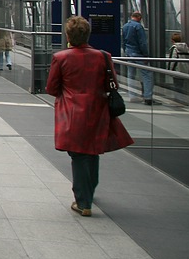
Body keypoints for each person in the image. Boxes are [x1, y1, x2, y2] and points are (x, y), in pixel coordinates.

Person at [46, 16, 134, 217]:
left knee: (78, 154)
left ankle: (83, 201)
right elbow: (112, 85)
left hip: (72, 112)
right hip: (98, 110)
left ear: (68, 35)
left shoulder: (61, 58)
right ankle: (90, 190)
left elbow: (51, 88)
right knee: (92, 151)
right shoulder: (103, 56)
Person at [121, 11, 154, 104]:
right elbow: (142, 42)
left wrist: (126, 51)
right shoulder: (138, 27)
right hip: (138, 54)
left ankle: (132, 96)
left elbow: (123, 41)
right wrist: (146, 55)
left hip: (129, 53)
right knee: (147, 74)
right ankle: (148, 97)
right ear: (139, 17)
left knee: (131, 74)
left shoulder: (125, 26)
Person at [166, 32, 189, 98]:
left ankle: (178, 98)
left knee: (177, 85)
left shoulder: (174, 48)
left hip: (177, 69)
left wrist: (169, 70)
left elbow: (172, 60)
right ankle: (181, 98)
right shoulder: (186, 48)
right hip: (184, 69)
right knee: (181, 85)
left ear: (172, 40)